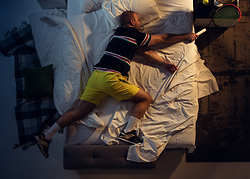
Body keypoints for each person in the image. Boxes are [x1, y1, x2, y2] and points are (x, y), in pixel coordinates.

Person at [34, 11, 199, 158]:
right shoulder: (134, 34)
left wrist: (163, 63)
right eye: (139, 21)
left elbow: (144, 51)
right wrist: (185, 36)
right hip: (110, 78)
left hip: (97, 76)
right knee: (145, 99)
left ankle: (46, 136)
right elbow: (163, 38)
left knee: (78, 111)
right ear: (133, 23)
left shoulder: (119, 35)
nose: (141, 24)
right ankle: (128, 133)